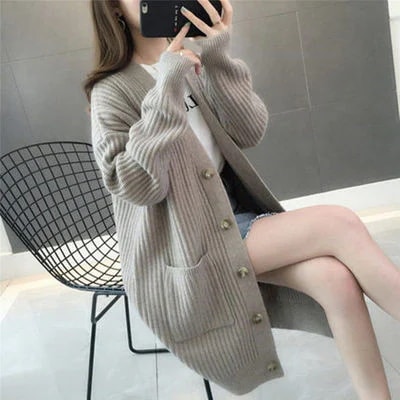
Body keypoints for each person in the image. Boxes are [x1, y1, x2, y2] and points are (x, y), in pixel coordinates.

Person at [83, 0, 399, 398]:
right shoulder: (111, 91)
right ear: (113, 9)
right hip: (186, 248)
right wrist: (166, 86)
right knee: (340, 223)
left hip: (234, 221)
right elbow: (138, 187)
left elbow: (250, 131)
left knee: (334, 280)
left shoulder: (191, 64)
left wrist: (217, 56)